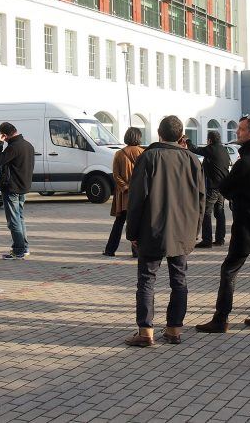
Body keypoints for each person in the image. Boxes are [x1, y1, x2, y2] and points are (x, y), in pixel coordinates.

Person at [124, 116, 204, 346]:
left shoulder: (148, 157)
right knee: (179, 280)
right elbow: (201, 199)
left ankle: (145, 332)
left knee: (147, 280)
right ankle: (174, 329)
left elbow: (137, 199)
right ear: (181, 137)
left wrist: (132, 233)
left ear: (159, 133)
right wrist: (195, 230)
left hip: (152, 229)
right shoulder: (192, 159)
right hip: (182, 231)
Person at [197, 115, 250, 332]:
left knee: (229, 270)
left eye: (241, 129)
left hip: (246, 227)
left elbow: (225, 188)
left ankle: (221, 318)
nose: (237, 133)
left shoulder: (246, 161)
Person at [0, 122, 35, 259]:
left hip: (12, 188)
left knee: (13, 221)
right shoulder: (28, 145)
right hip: (23, 187)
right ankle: (24, 247)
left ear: (4, 135)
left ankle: (18, 250)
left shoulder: (13, 147)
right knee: (20, 218)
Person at [105, 127, 145, 257]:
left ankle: (110, 250)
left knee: (119, 223)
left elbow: (116, 175)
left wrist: (125, 187)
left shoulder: (119, 153)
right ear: (138, 137)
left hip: (124, 196)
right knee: (137, 223)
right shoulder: (143, 153)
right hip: (139, 196)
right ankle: (136, 252)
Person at [186, 130, 230, 247]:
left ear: (209, 140)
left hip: (213, 187)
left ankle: (207, 240)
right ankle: (220, 239)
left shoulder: (211, 149)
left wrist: (187, 140)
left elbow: (194, 149)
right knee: (219, 212)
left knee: (206, 212)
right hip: (223, 187)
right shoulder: (223, 150)